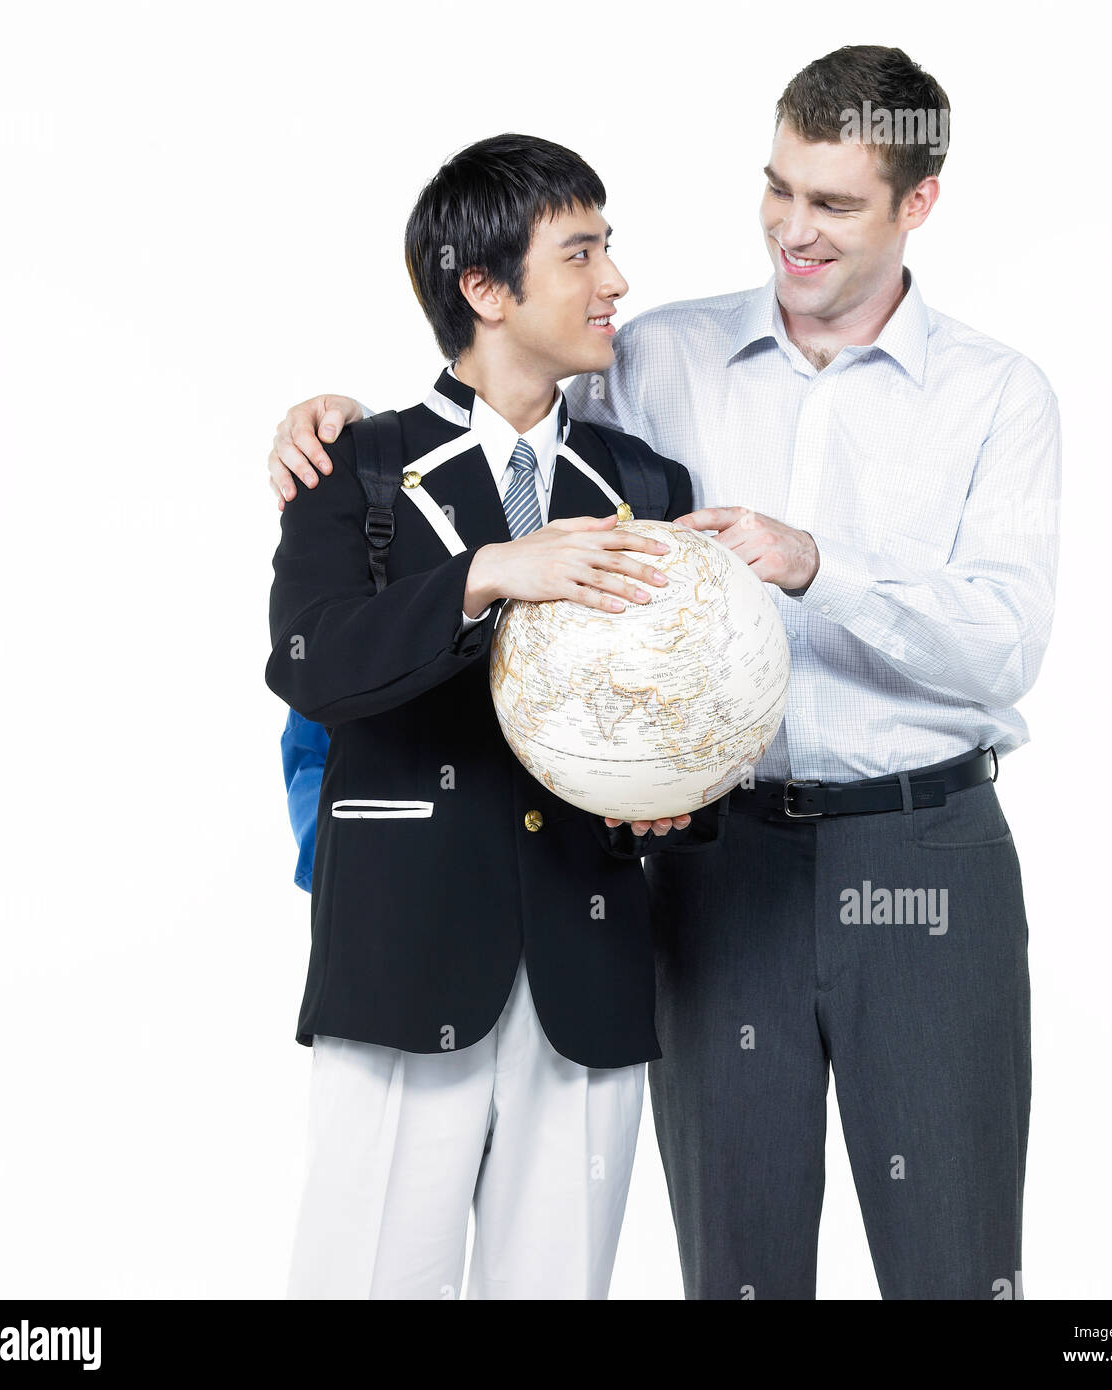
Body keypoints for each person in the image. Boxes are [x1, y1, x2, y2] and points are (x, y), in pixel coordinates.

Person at [269, 46, 1061, 1301]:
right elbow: (492, 384)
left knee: (954, 1257)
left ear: (918, 205)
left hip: (919, 847)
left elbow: (1004, 645)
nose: (791, 231)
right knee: (731, 1267)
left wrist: (815, 566)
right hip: (712, 868)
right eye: (778, 188)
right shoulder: (651, 356)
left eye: (835, 204)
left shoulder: (997, 394)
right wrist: (335, 424)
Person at [265, 132, 726, 1300]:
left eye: (607, 247)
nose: (613, 279)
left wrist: (676, 799)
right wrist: (483, 573)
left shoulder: (647, 487)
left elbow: (685, 696)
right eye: (580, 253)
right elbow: (313, 663)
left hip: (590, 968)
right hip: (404, 959)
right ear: (482, 286)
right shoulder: (351, 465)